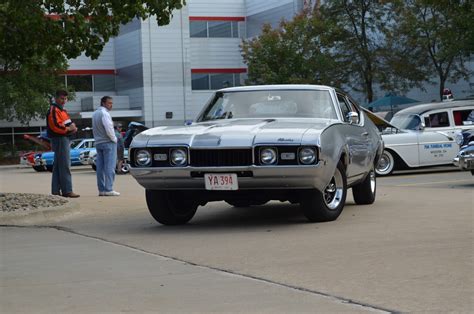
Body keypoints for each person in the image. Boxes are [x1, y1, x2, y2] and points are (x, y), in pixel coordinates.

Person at [46, 90, 80, 198]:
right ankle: (67, 190)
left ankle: (56, 191)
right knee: (65, 165)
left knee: (58, 166)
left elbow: (68, 123)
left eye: (65, 98)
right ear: (56, 98)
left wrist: (73, 127)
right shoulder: (54, 109)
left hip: (64, 138)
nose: (64, 101)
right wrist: (69, 129)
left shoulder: (62, 111)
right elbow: (55, 126)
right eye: (61, 98)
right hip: (60, 139)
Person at [92, 96, 120, 196]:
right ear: (103, 103)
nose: (111, 105)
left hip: (98, 142)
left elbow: (94, 129)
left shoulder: (95, 114)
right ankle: (109, 189)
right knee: (110, 166)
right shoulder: (105, 114)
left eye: (111, 103)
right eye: (109, 103)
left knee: (100, 167)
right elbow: (109, 129)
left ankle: (101, 189)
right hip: (108, 142)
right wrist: (114, 139)